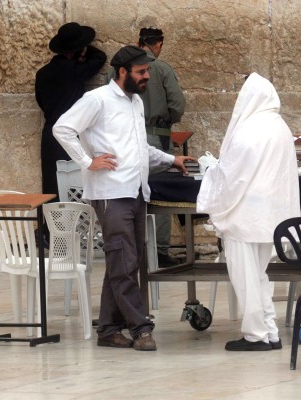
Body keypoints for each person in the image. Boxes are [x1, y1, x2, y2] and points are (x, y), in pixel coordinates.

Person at [53, 45, 194, 351]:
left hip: (136, 190)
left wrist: (171, 160)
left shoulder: (136, 103)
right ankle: (141, 327)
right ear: (122, 72)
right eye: (141, 72)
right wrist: (87, 161)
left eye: (147, 71)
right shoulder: (97, 99)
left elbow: (139, 147)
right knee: (124, 260)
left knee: (127, 261)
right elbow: (62, 128)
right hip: (111, 192)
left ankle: (107, 329)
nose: (146, 77)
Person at [197, 73, 300, 351]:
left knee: (245, 276)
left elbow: (233, 176)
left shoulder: (249, 130)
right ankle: (270, 331)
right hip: (270, 217)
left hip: (245, 216)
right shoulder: (280, 127)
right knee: (259, 274)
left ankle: (256, 335)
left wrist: (209, 170)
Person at [35, 22, 107, 201]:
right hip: (72, 134)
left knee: (53, 184)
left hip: (51, 135)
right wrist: (85, 50)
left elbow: (41, 102)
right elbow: (100, 57)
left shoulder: (42, 73)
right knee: (76, 186)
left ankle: (52, 227)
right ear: (77, 49)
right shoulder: (75, 71)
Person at [137, 27, 186, 267]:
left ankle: (138, 249)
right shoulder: (163, 68)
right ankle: (159, 251)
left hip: (128, 136)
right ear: (159, 44)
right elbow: (177, 104)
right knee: (161, 191)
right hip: (157, 136)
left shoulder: (118, 68)